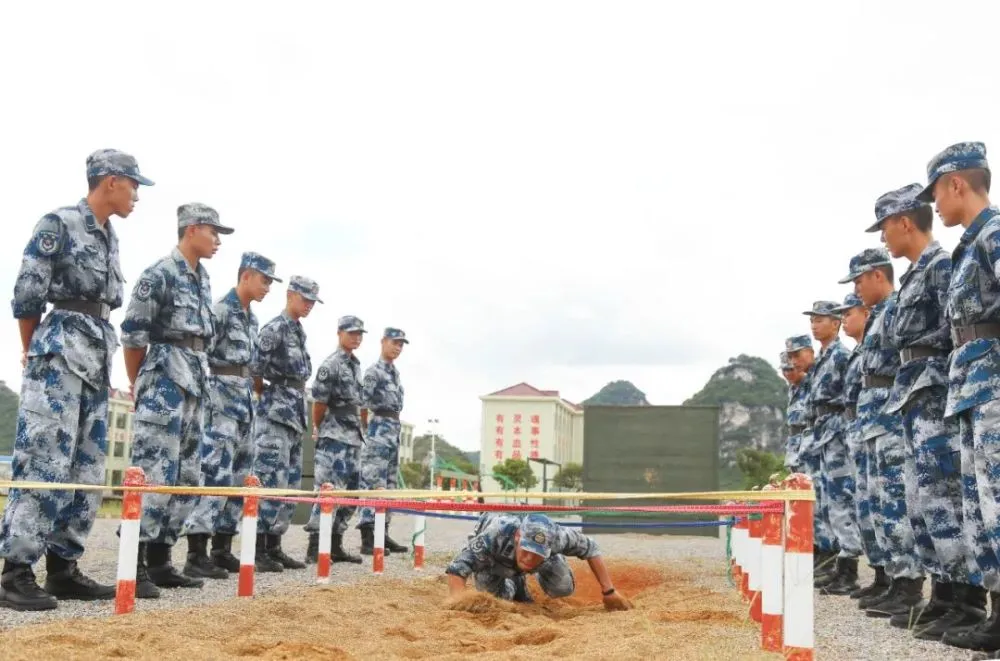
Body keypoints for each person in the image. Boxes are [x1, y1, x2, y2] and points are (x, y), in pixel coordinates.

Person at [0, 149, 153, 611]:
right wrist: (34, 351)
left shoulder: (110, 237)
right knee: (45, 460)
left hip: (95, 356)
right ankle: (15, 572)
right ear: (109, 181)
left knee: (86, 468)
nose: (136, 195)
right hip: (60, 353)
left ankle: (63, 568)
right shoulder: (59, 224)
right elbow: (27, 296)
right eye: (133, 185)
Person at [869, 182, 985, 636]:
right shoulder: (919, 275)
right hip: (916, 400)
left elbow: (949, 332)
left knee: (951, 503)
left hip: (938, 397)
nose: (883, 239)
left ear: (903, 222)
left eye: (885, 227)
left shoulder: (941, 266)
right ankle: (946, 595)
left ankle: (967, 600)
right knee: (924, 504)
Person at [121, 203, 231, 597]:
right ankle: (131, 563)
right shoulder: (160, 273)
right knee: (153, 472)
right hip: (165, 379)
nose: (217, 241)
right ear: (192, 230)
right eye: (213, 232)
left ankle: (160, 559)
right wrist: (142, 385)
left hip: (195, 382)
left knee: (186, 476)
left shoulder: (203, 279)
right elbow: (134, 336)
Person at [917, 142, 1000, 651]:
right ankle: (994, 613)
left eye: (936, 193)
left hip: (993, 385)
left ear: (956, 184)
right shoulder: (969, 246)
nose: (935, 205)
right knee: (979, 508)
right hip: (972, 387)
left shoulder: (994, 234)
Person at [179, 252, 280, 579]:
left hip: (245, 406)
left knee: (239, 477)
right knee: (215, 474)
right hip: (220, 404)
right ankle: (197, 552)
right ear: (247, 275)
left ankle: (222, 548)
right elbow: (201, 356)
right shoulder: (220, 311)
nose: (267, 288)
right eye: (264, 280)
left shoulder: (251, 320)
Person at [838, 247, 924, 617]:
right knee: (877, 504)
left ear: (877, 275)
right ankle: (890, 579)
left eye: (859, 280)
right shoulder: (879, 316)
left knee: (895, 503)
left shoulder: (894, 308)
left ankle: (907, 586)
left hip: (889, 418)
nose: (856, 289)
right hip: (872, 421)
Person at [251, 276, 319, 572]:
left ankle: (274, 545)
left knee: (290, 484)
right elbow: (255, 367)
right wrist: (265, 393)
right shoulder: (274, 329)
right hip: (275, 414)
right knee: (269, 479)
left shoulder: (298, 332)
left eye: (313, 302)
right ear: (290, 295)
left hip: (294, 415)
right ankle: (257, 548)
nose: (309, 306)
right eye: (305, 299)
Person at [445, 512, 631, 611]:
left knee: (563, 588)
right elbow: (458, 567)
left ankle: (540, 566)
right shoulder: (496, 534)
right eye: (526, 550)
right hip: (495, 561)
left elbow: (592, 548)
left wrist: (609, 591)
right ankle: (514, 583)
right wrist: (459, 604)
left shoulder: (559, 537)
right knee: (496, 602)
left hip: (544, 558)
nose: (529, 558)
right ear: (518, 536)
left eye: (537, 553)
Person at [801, 301, 862, 595]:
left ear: (835, 323)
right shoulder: (824, 357)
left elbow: (848, 396)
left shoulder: (840, 356)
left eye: (820, 320)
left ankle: (848, 570)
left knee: (840, 502)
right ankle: (839, 564)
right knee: (826, 503)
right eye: (812, 320)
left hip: (836, 433)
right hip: (822, 433)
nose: (814, 325)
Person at [833, 293, 887, 601]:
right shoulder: (856, 352)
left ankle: (899, 583)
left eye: (848, 313)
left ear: (866, 313)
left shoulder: (852, 352)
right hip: (857, 428)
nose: (844, 319)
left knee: (884, 503)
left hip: (877, 423)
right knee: (866, 506)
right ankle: (883, 577)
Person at [304, 316, 367, 564]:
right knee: (328, 491)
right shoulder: (331, 365)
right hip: (334, 436)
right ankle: (315, 547)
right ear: (339, 333)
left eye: (360, 333)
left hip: (352, 437)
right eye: (351, 333)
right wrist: (320, 428)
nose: (356, 337)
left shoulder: (355, 365)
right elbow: (319, 403)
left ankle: (335, 544)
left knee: (352, 494)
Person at [785, 334, 838, 577]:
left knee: (826, 502)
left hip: (826, 436)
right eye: (787, 364)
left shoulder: (818, 374)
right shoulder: (794, 390)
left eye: (795, 358)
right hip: (804, 441)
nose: (790, 369)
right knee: (808, 504)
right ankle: (818, 555)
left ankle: (831, 560)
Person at [357, 327, 410, 556]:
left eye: (401, 344)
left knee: (389, 485)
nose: (397, 348)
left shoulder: (394, 373)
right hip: (378, 431)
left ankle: (383, 532)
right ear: (383, 342)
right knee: (373, 484)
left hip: (393, 431)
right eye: (394, 343)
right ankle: (368, 538)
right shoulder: (373, 372)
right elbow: (362, 404)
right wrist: (368, 430)